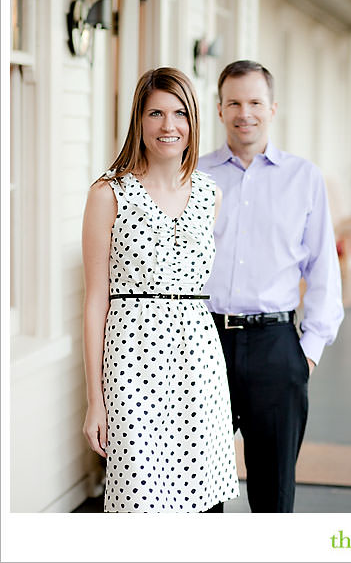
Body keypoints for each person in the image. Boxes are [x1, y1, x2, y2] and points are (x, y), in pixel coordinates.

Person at [81, 67, 238, 512]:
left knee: (199, 502)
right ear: (139, 120)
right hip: (132, 360)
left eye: (179, 113)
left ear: (193, 121)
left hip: (198, 359)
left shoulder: (211, 194)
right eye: (156, 113)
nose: (168, 126)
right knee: (139, 499)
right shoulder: (108, 194)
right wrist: (96, 401)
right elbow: (95, 301)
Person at [198, 60, 344, 513]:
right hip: (202, 344)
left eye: (255, 102)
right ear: (220, 109)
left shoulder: (304, 178)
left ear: (272, 108)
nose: (246, 113)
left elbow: (323, 270)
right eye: (235, 102)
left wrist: (307, 355)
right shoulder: (195, 177)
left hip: (276, 347)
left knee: (274, 494)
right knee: (199, 487)